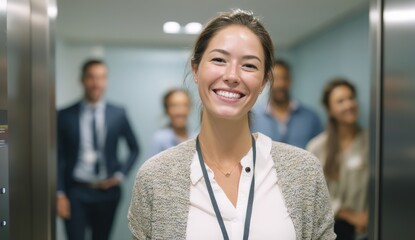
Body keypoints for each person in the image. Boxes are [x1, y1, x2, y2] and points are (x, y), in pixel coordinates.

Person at [128, 9, 335, 240]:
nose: (232, 75)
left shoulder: (304, 172)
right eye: (218, 59)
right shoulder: (155, 177)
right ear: (196, 69)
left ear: (264, 80)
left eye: (249, 65)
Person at [57, 59, 140, 240]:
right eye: (91, 78)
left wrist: (119, 175)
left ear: (106, 81)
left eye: (101, 78)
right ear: (82, 80)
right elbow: (58, 157)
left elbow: (134, 148)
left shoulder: (118, 113)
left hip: (107, 192)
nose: (96, 83)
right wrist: (59, 193)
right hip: (76, 191)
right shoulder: (64, 115)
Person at [307, 79, 368, 240]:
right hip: (327, 231)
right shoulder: (316, 147)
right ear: (330, 110)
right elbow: (312, 193)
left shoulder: (371, 143)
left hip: (362, 232)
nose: (349, 105)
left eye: (351, 98)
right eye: (340, 101)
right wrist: (347, 213)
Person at [251, 59, 323, 149]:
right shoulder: (253, 117)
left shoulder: (311, 118)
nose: (281, 84)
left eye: (284, 78)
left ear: (290, 81)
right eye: (276, 79)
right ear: (268, 81)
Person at [149, 89, 191, 156]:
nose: (180, 111)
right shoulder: (160, 139)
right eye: (174, 106)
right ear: (167, 110)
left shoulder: (197, 137)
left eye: (184, 105)